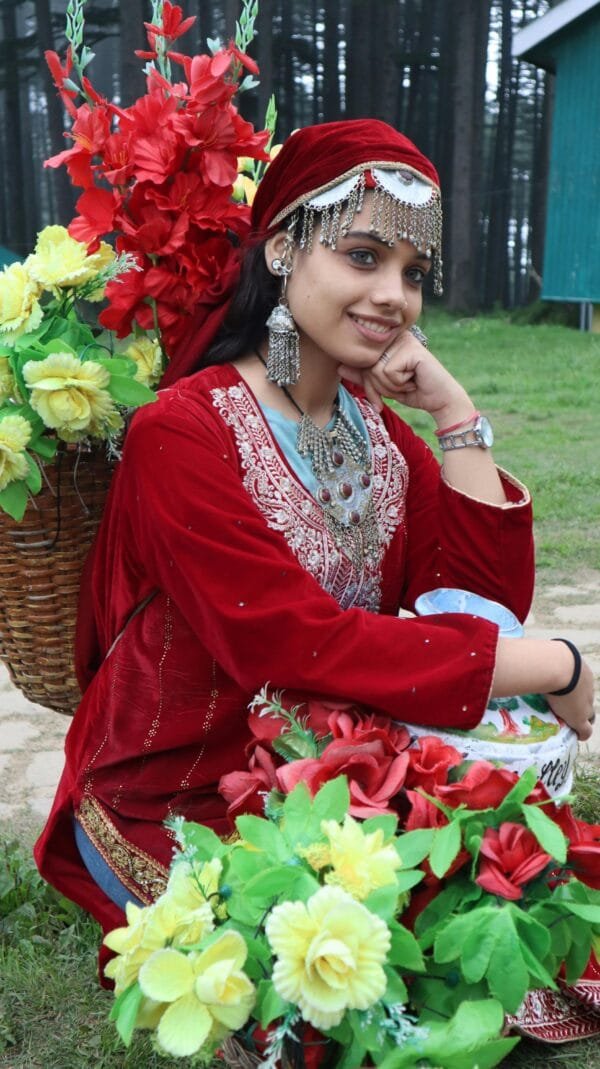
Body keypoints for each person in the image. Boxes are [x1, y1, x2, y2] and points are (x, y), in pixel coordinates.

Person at [34, 120, 596, 1004]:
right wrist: (551, 664)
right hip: (180, 787)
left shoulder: (373, 431)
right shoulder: (181, 433)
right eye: (365, 256)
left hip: (333, 760)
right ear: (285, 248)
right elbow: (294, 642)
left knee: (492, 911)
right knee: (356, 968)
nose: (395, 296)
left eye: (414, 274)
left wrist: (453, 412)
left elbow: (477, 601)